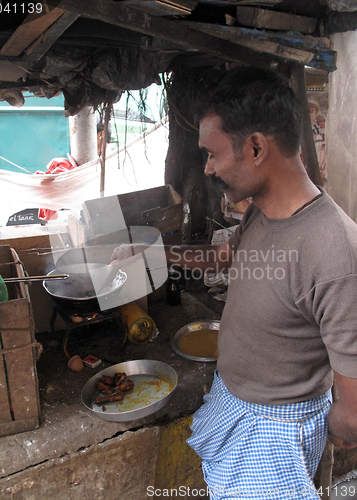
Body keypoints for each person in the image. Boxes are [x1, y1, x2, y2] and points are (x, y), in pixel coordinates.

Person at [110, 67, 357, 499]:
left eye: (212, 153)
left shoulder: (336, 251)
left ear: (256, 147)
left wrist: (334, 427)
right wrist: (153, 255)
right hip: (235, 403)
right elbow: (222, 260)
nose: (206, 168)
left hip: (276, 431)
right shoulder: (264, 210)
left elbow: (354, 405)